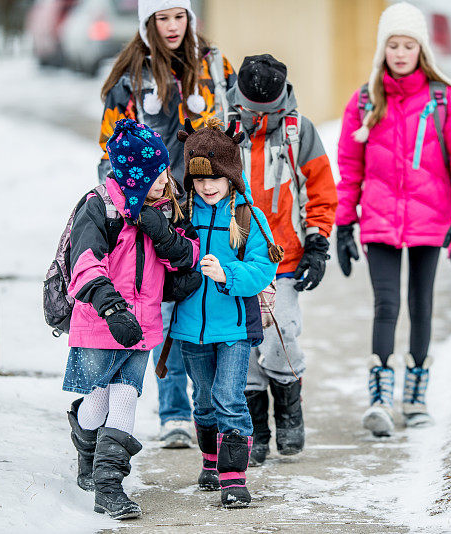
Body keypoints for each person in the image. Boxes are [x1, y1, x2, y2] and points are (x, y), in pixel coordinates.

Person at [335, 2, 451, 437]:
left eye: (409, 45)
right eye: (393, 45)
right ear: (383, 49)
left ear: (422, 50)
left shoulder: (444, 99)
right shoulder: (365, 101)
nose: (400, 53)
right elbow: (350, 169)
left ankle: (416, 397)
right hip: (380, 220)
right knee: (387, 305)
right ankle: (379, 399)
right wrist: (344, 225)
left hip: (430, 220)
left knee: (421, 306)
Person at [99, 0, 237, 447]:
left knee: (198, 304)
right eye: (163, 17)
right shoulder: (130, 79)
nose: (173, 26)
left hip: (206, 202)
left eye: (180, 15)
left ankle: (207, 410)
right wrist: (123, 208)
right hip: (154, 209)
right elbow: (109, 152)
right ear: (148, 22)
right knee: (159, 305)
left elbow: (237, 136)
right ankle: (174, 412)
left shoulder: (214, 66)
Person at [64, 119, 200, 520]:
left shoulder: (165, 209)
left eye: (164, 170)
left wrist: (163, 233)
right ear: (133, 175)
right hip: (99, 322)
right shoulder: (99, 207)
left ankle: (109, 488)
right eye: (157, 172)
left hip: (144, 325)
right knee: (97, 400)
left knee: (125, 397)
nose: (165, 178)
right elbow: (85, 264)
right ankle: (83, 437)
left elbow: (188, 253)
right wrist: (111, 308)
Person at [224, 54, 338, 465]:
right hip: (233, 260)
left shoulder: (297, 132)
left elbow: (321, 189)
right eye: (249, 109)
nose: (256, 117)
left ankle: (290, 411)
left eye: (264, 111)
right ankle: (256, 429)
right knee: (244, 342)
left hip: (283, 257)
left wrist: (318, 242)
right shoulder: (224, 126)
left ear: (279, 103)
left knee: (281, 333)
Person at [170, 117, 281, 508]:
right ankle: (212, 461)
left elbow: (264, 268)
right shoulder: (181, 214)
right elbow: (162, 259)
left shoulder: (248, 217)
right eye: (199, 179)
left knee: (227, 396)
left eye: (215, 177)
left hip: (232, 328)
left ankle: (234, 478)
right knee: (202, 398)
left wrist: (227, 273)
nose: (207, 186)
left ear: (231, 174)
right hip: (190, 329)